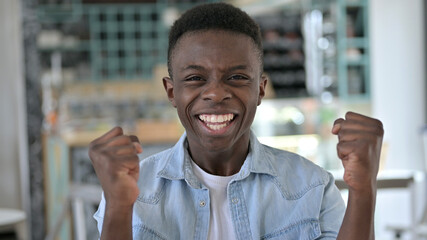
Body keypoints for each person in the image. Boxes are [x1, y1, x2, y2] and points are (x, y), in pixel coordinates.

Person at [89, 2, 384, 240]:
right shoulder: (132, 190)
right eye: (195, 78)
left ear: (259, 90)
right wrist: (117, 206)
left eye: (237, 77)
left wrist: (364, 189)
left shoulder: (311, 187)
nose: (216, 93)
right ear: (172, 91)